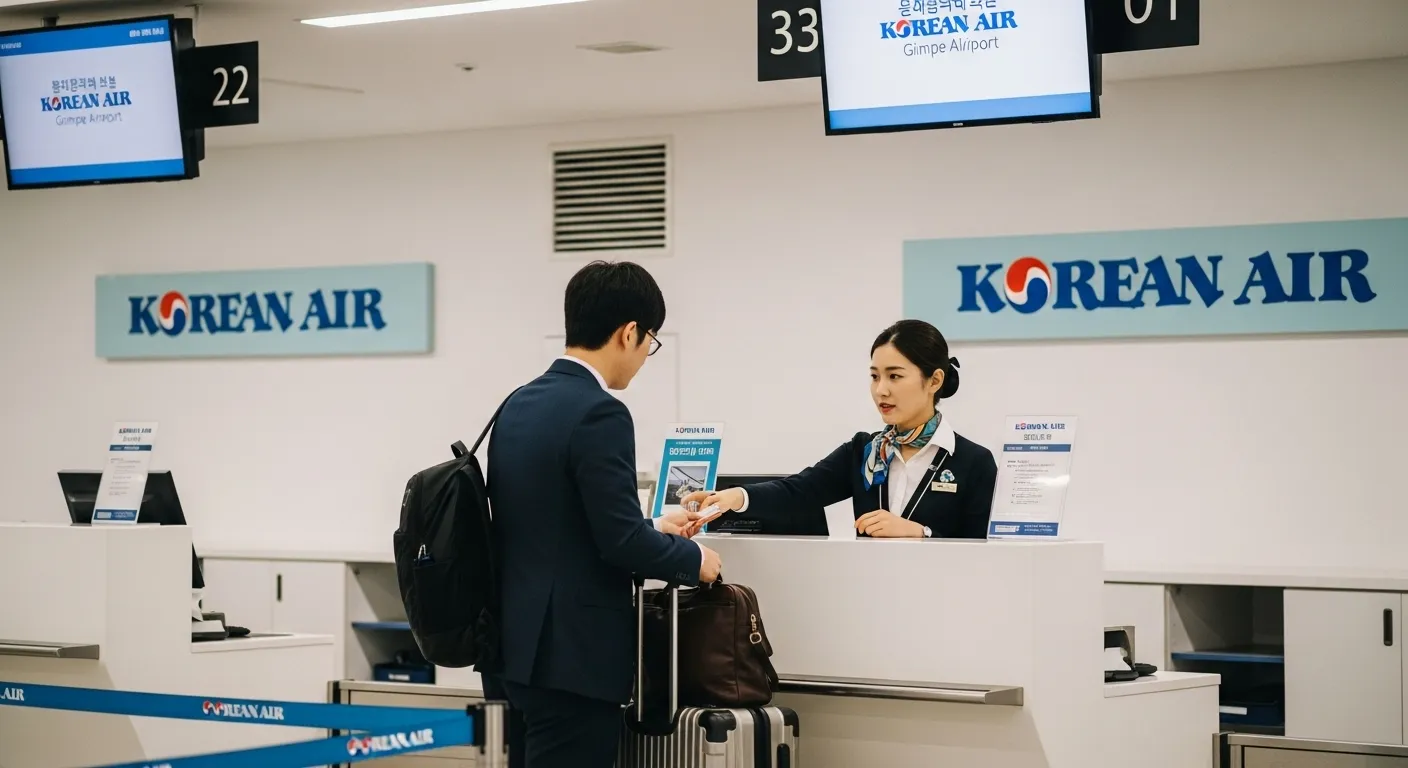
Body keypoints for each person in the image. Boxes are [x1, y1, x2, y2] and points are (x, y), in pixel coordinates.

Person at [485, 260, 722, 768]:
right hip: (573, 661)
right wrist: (692, 557)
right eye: (649, 344)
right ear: (629, 332)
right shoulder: (601, 411)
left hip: (511, 652)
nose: (644, 358)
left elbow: (553, 520)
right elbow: (619, 544)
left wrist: (655, 525)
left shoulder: (517, 404)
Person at [683, 319, 997, 539]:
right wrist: (732, 498)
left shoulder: (973, 462)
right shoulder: (864, 451)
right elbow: (800, 491)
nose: (881, 390)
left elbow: (984, 549)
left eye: (895, 376)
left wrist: (921, 533)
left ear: (935, 381)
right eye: (875, 377)